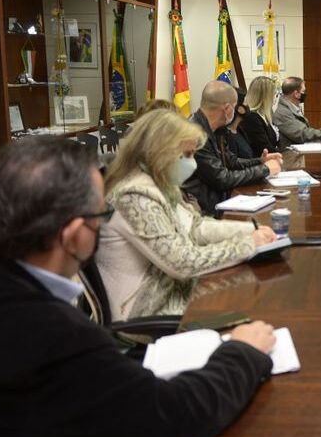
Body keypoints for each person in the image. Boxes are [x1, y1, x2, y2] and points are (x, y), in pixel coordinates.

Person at [0, 136, 278, 437]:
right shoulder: (54, 335)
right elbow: (180, 416)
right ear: (74, 235)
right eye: (100, 216)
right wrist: (243, 352)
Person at [98, 110, 278, 320]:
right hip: (151, 310)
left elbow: (195, 227)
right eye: (188, 155)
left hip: (174, 289)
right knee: (255, 303)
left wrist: (251, 230)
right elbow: (182, 263)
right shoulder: (134, 195)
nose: (192, 163)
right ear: (162, 153)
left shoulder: (160, 182)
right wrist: (248, 244)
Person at [183, 80, 282, 216]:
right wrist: (265, 169)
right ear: (228, 108)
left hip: (217, 202)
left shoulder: (216, 130)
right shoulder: (195, 134)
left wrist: (260, 161)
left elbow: (232, 161)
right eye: (235, 106)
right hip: (204, 212)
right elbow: (221, 179)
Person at [274, 76, 321, 144]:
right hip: (290, 152)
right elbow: (304, 134)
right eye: (303, 91)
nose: (305, 94)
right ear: (296, 94)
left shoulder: (293, 108)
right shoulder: (282, 113)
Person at [239, 75, 283, 157]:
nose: (275, 97)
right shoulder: (252, 118)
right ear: (266, 96)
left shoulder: (265, 115)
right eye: (274, 94)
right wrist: (284, 153)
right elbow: (263, 147)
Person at [223, 87, 256, 159]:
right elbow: (234, 163)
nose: (248, 105)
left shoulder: (240, 130)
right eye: (245, 102)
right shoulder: (227, 137)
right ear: (238, 108)